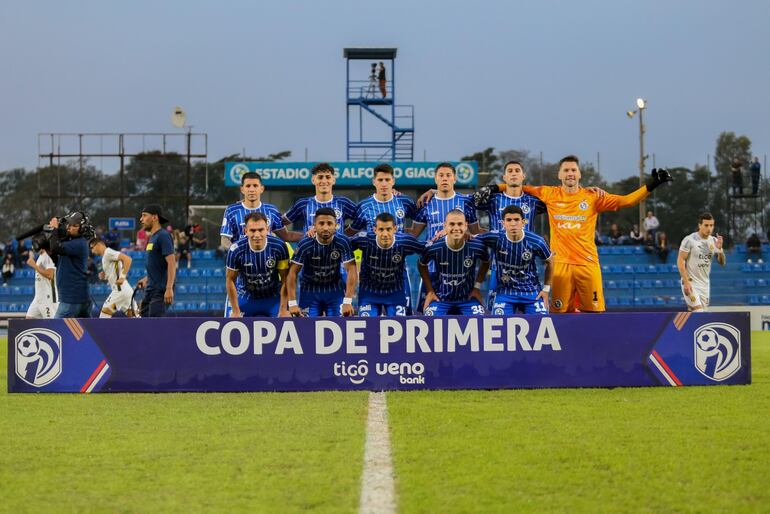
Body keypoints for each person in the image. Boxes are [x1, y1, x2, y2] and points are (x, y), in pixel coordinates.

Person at [477, 155, 671, 313]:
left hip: (587, 264)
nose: (570, 173)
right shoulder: (548, 193)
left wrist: (651, 184)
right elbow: (516, 185)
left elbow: (627, 201)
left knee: (595, 314)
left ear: (579, 174)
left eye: (573, 170)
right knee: (559, 315)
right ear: (559, 174)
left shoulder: (593, 196)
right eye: (566, 170)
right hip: (560, 266)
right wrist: (494, 188)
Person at [411, 162, 481, 312]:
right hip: (432, 269)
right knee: (428, 313)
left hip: (461, 268)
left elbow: (478, 232)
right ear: (435, 179)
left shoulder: (466, 202)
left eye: (448, 175)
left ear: (454, 178)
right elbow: (413, 234)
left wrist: (469, 234)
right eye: (441, 176)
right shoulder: (427, 203)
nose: (445, 179)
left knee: (463, 312)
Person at [477, 206, 553, 315]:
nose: (513, 224)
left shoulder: (537, 241)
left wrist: (546, 289)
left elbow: (550, 261)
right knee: (499, 325)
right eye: (509, 220)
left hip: (531, 292)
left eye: (516, 220)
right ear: (503, 223)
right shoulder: (495, 237)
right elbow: (469, 238)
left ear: (523, 222)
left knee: (542, 323)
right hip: (505, 293)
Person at [286, 207, 358, 317]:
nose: (325, 227)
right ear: (314, 225)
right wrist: (292, 303)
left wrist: (348, 301)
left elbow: (352, 269)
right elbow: (292, 273)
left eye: (329, 223)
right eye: (321, 223)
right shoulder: (305, 243)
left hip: (334, 291)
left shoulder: (343, 241)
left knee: (340, 326)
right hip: (309, 292)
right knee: (306, 329)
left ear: (336, 225)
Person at [351, 212, 425, 316]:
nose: (385, 234)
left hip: (395, 294)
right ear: (374, 229)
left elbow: (428, 250)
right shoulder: (364, 240)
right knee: (368, 326)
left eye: (388, 229)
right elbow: (342, 246)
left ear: (395, 229)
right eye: (381, 230)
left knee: (398, 327)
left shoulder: (405, 241)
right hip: (369, 293)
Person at [418, 209, 490, 316]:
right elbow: (421, 264)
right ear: (445, 226)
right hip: (441, 299)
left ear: (466, 226)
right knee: (430, 321)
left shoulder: (477, 246)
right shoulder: (434, 246)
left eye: (460, 224)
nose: (456, 228)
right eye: (452, 224)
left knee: (480, 322)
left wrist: (477, 287)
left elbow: (486, 261)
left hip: (468, 299)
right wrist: (430, 291)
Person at [225, 212, 290, 317]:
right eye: (252, 230)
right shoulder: (235, 250)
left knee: (284, 324)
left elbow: (285, 279)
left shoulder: (279, 246)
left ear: (267, 229)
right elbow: (230, 280)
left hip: (273, 299)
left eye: (261, 230)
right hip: (245, 299)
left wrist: (283, 309)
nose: (257, 235)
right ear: (245, 231)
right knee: (233, 327)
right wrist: (236, 311)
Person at [283, 163, 357, 236]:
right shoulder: (303, 204)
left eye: (328, 177)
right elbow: (280, 222)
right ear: (313, 180)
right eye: (320, 177)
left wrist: (346, 234)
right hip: (310, 247)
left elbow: (362, 219)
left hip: (337, 248)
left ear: (333, 180)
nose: (324, 181)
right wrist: (303, 237)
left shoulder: (343, 203)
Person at [677, 213, 725, 312]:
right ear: (700, 225)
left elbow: (722, 263)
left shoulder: (714, 241)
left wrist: (720, 250)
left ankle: (681, 326)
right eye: (706, 225)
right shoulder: (689, 240)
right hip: (691, 282)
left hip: (704, 285)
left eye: (711, 225)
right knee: (698, 312)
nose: (709, 228)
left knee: (698, 315)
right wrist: (686, 282)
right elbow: (680, 261)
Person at [136, 205, 176, 317]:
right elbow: (157, 264)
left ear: (154, 218)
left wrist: (169, 288)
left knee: (155, 326)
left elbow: (172, 263)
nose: (141, 219)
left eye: (144, 216)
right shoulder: (153, 237)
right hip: (150, 289)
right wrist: (146, 278)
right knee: (144, 322)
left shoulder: (163, 236)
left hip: (160, 290)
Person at [48, 212, 91, 318]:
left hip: (71, 299)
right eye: (69, 225)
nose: (69, 227)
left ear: (82, 229)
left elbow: (56, 247)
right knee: (84, 333)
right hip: (76, 297)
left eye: (74, 226)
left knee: (57, 331)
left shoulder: (79, 243)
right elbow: (57, 258)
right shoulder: (73, 243)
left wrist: (54, 229)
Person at [89, 238, 137, 317]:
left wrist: (122, 277)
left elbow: (128, 259)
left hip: (119, 291)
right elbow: (115, 271)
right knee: (135, 317)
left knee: (104, 315)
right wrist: (105, 276)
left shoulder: (108, 252)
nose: (91, 251)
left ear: (98, 245)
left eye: (92, 247)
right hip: (126, 291)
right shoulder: (105, 256)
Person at [25, 248, 58, 319]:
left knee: (51, 324)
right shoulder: (41, 256)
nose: (33, 247)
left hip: (47, 297)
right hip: (38, 296)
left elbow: (50, 275)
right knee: (28, 320)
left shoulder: (48, 256)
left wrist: (34, 265)